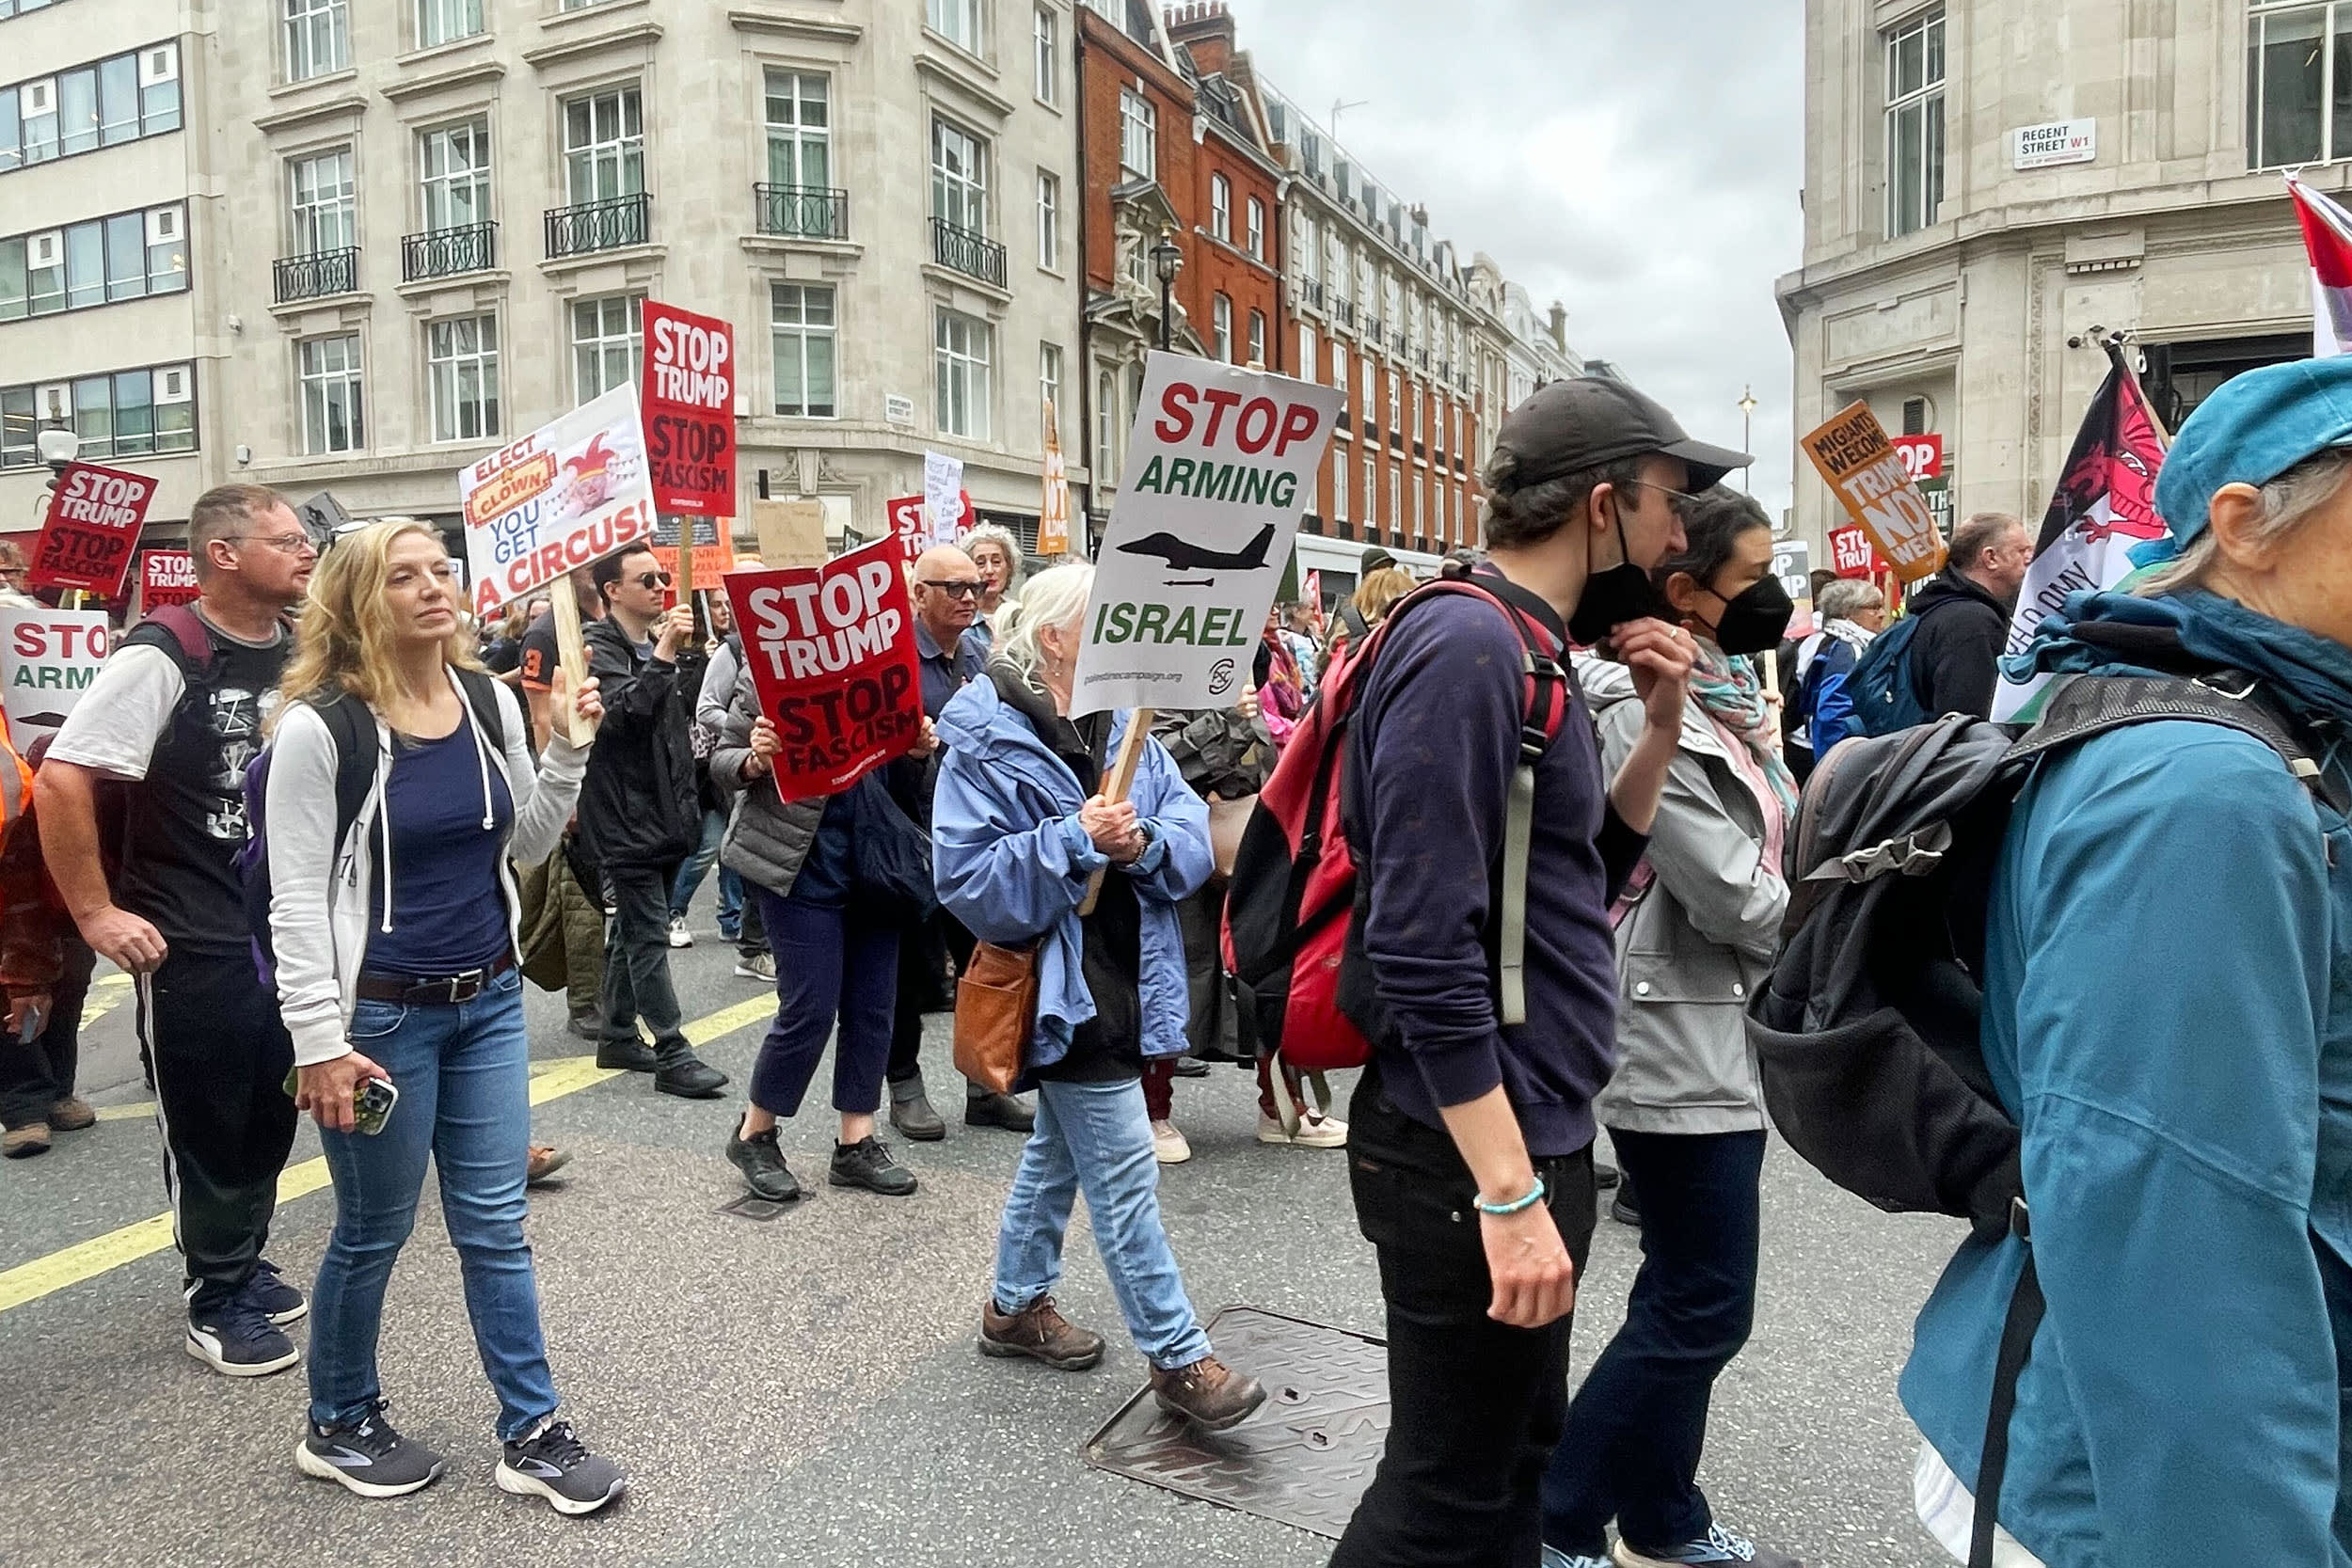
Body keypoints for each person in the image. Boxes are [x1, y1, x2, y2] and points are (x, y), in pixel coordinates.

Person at [1901, 359, 2352, 1567]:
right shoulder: (2205, 790)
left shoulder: (2266, 733)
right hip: (2140, 1482)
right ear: (2245, 527)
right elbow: (2173, 1220)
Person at [1328, 376, 1725, 1566]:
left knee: (1515, 1466)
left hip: (1526, 1121)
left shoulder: (1530, 645)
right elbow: (1417, 940)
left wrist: (1658, 727)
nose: (1677, 537)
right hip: (1467, 1145)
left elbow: (1578, 877)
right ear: (1601, 504)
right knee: (1446, 1490)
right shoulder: (1465, 642)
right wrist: (1506, 1193)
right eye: (1666, 503)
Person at [263, 520, 625, 1512]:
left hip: (490, 1001)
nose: (435, 589)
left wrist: (564, 747)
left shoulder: (484, 698)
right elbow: (295, 900)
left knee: (496, 1227)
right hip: (378, 1023)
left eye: (441, 572)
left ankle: (532, 1428)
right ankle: (337, 1419)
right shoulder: (318, 727)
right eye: (406, 576)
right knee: (373, 1230)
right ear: (356, 600)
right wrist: (319, 1046)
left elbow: (525, 842)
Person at [933, 563, 1266, 1433]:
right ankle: (1179, 1353)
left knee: (1059, 1152)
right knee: (1122, 1175)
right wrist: (1072, 839)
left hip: (1128, 978)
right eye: (1109, 619)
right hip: (1057, 990)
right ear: (1054, 638)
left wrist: (1141, 841)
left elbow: (1190, 843)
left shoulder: (1131, 724)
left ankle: (1014, 1306)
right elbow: (966, 880)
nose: (1134, 633)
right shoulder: (982, 735)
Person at [1549, 488, 1803, 1568]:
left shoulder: (1720, 690)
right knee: (1704, 1302)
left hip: (1707, 1016)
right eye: (1749, 581)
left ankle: (1660, 1516)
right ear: (1683, 589)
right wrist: (1836, 926)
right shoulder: (1628, 697)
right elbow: (1734, 892)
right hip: (1671, 1023)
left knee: (1681, 1289)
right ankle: (1555, 1517)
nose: (1772, 602)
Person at [35, 484, 312, 1373]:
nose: (306, 552)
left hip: (286, 930)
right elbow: (62, 779)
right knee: (209, 1117)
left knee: (273, 1105)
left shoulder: (302, 648)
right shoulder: (165, 651)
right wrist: (95, 911)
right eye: (285, 539)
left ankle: (242, 1255)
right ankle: (215, 1292)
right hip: (193, 932)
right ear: (224, 553)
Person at [712, 672, 931, 1203]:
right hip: (799, 862)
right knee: (809, 1007)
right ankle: (755, 1134)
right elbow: (722, 760)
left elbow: (906, 784)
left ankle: (856, 1140)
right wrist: (755, 759)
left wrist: (917, 751)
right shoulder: (770, 665)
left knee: (873, 1007)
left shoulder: (886, 664)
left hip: (875, 860)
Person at [888, 544, 1032, 1141]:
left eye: (974, 586)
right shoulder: (892, 661)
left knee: (983, 961)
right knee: (908, 972)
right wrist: (908, 748)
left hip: (971, 838)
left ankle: (984, 1085)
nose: (969, 597)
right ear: (918, 594)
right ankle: (904, 1088)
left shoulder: (979, 650)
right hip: (906, 835)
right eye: (953, 587)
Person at [578, 546, 726, 1099]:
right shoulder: (597, 647)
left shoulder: (651, 645)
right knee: (646, 932)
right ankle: (671, 1050)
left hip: (664, 809)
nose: (662, 585)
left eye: (663, 576)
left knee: (635, 930)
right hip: (624, 813)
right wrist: (666, 653)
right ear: (612, 590)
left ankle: (617, 1033)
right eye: (647, 579)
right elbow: (622, 718)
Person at [0, 732, 94, 1160]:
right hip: (13, 858)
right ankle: (22, 1107)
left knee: (71, 980)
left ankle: (59, 1088)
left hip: (63, 885)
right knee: (15, 991)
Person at [695, 598, 773, 985]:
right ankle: (752, 945)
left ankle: (747, 932)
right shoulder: (734, 649)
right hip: (744, 763)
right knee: (744, 848)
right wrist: (747, 732)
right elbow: (706, 708)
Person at [1900, 512, 2033, 721]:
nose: (2030, 558)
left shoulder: (1940, 607)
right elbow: (1968, 722)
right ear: (1991, 558)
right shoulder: (1972, 622)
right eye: (2022, 550)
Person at [1791, 578, 1886, 773]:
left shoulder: (1821, 640)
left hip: (1808, 747)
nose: (1882, 614)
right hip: (1839, 758)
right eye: (1874, 607)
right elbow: (1833, 712)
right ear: (1848, 612)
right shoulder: (1848, 651)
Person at [961, 524, 1026, 647]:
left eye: (996, 562)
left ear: (1009, 567)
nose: (989, 570)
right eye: (980, 563)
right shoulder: (959, 617)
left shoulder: (1021, 615)